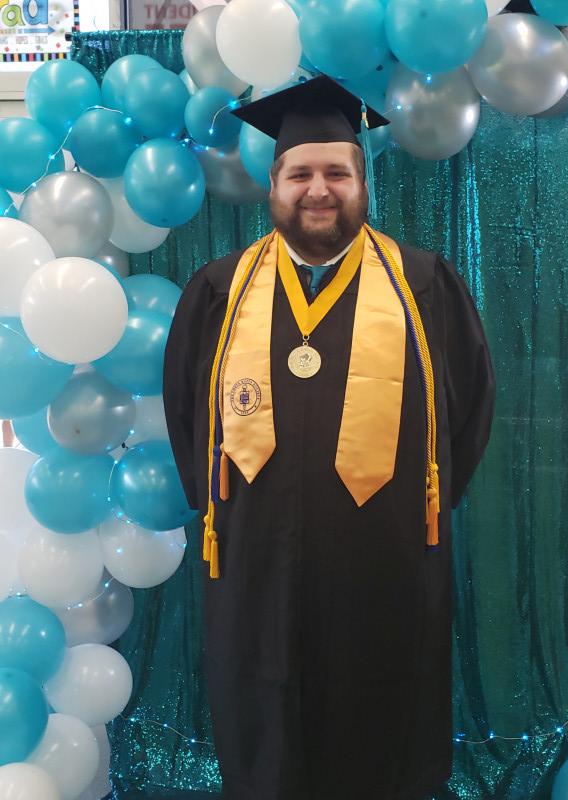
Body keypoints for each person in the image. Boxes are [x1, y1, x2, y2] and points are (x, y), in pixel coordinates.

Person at [163, 75, 495, 800]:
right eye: (301, 173)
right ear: (274, 184)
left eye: (336, 172)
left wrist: (413, 499)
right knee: (266, 740)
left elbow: (467, 414)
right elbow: (187, 414)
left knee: (383, 733)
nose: (320, 189)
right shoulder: (219, 289)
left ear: (361, 181)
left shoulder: (425, 287)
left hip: (387, 561)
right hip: (254, 568)